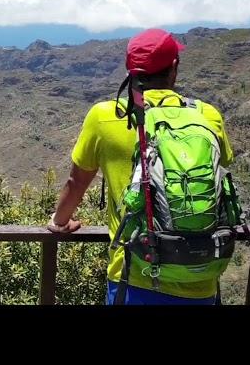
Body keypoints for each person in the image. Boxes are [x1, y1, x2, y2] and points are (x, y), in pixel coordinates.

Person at [48, 29, 234, 304]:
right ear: (174, 67)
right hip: (199, 276)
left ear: (130, 70)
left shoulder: (106, 116)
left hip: (134, 276)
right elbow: (221, 169)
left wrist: (59, 222)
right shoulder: (206, 115)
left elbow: (76, 183)